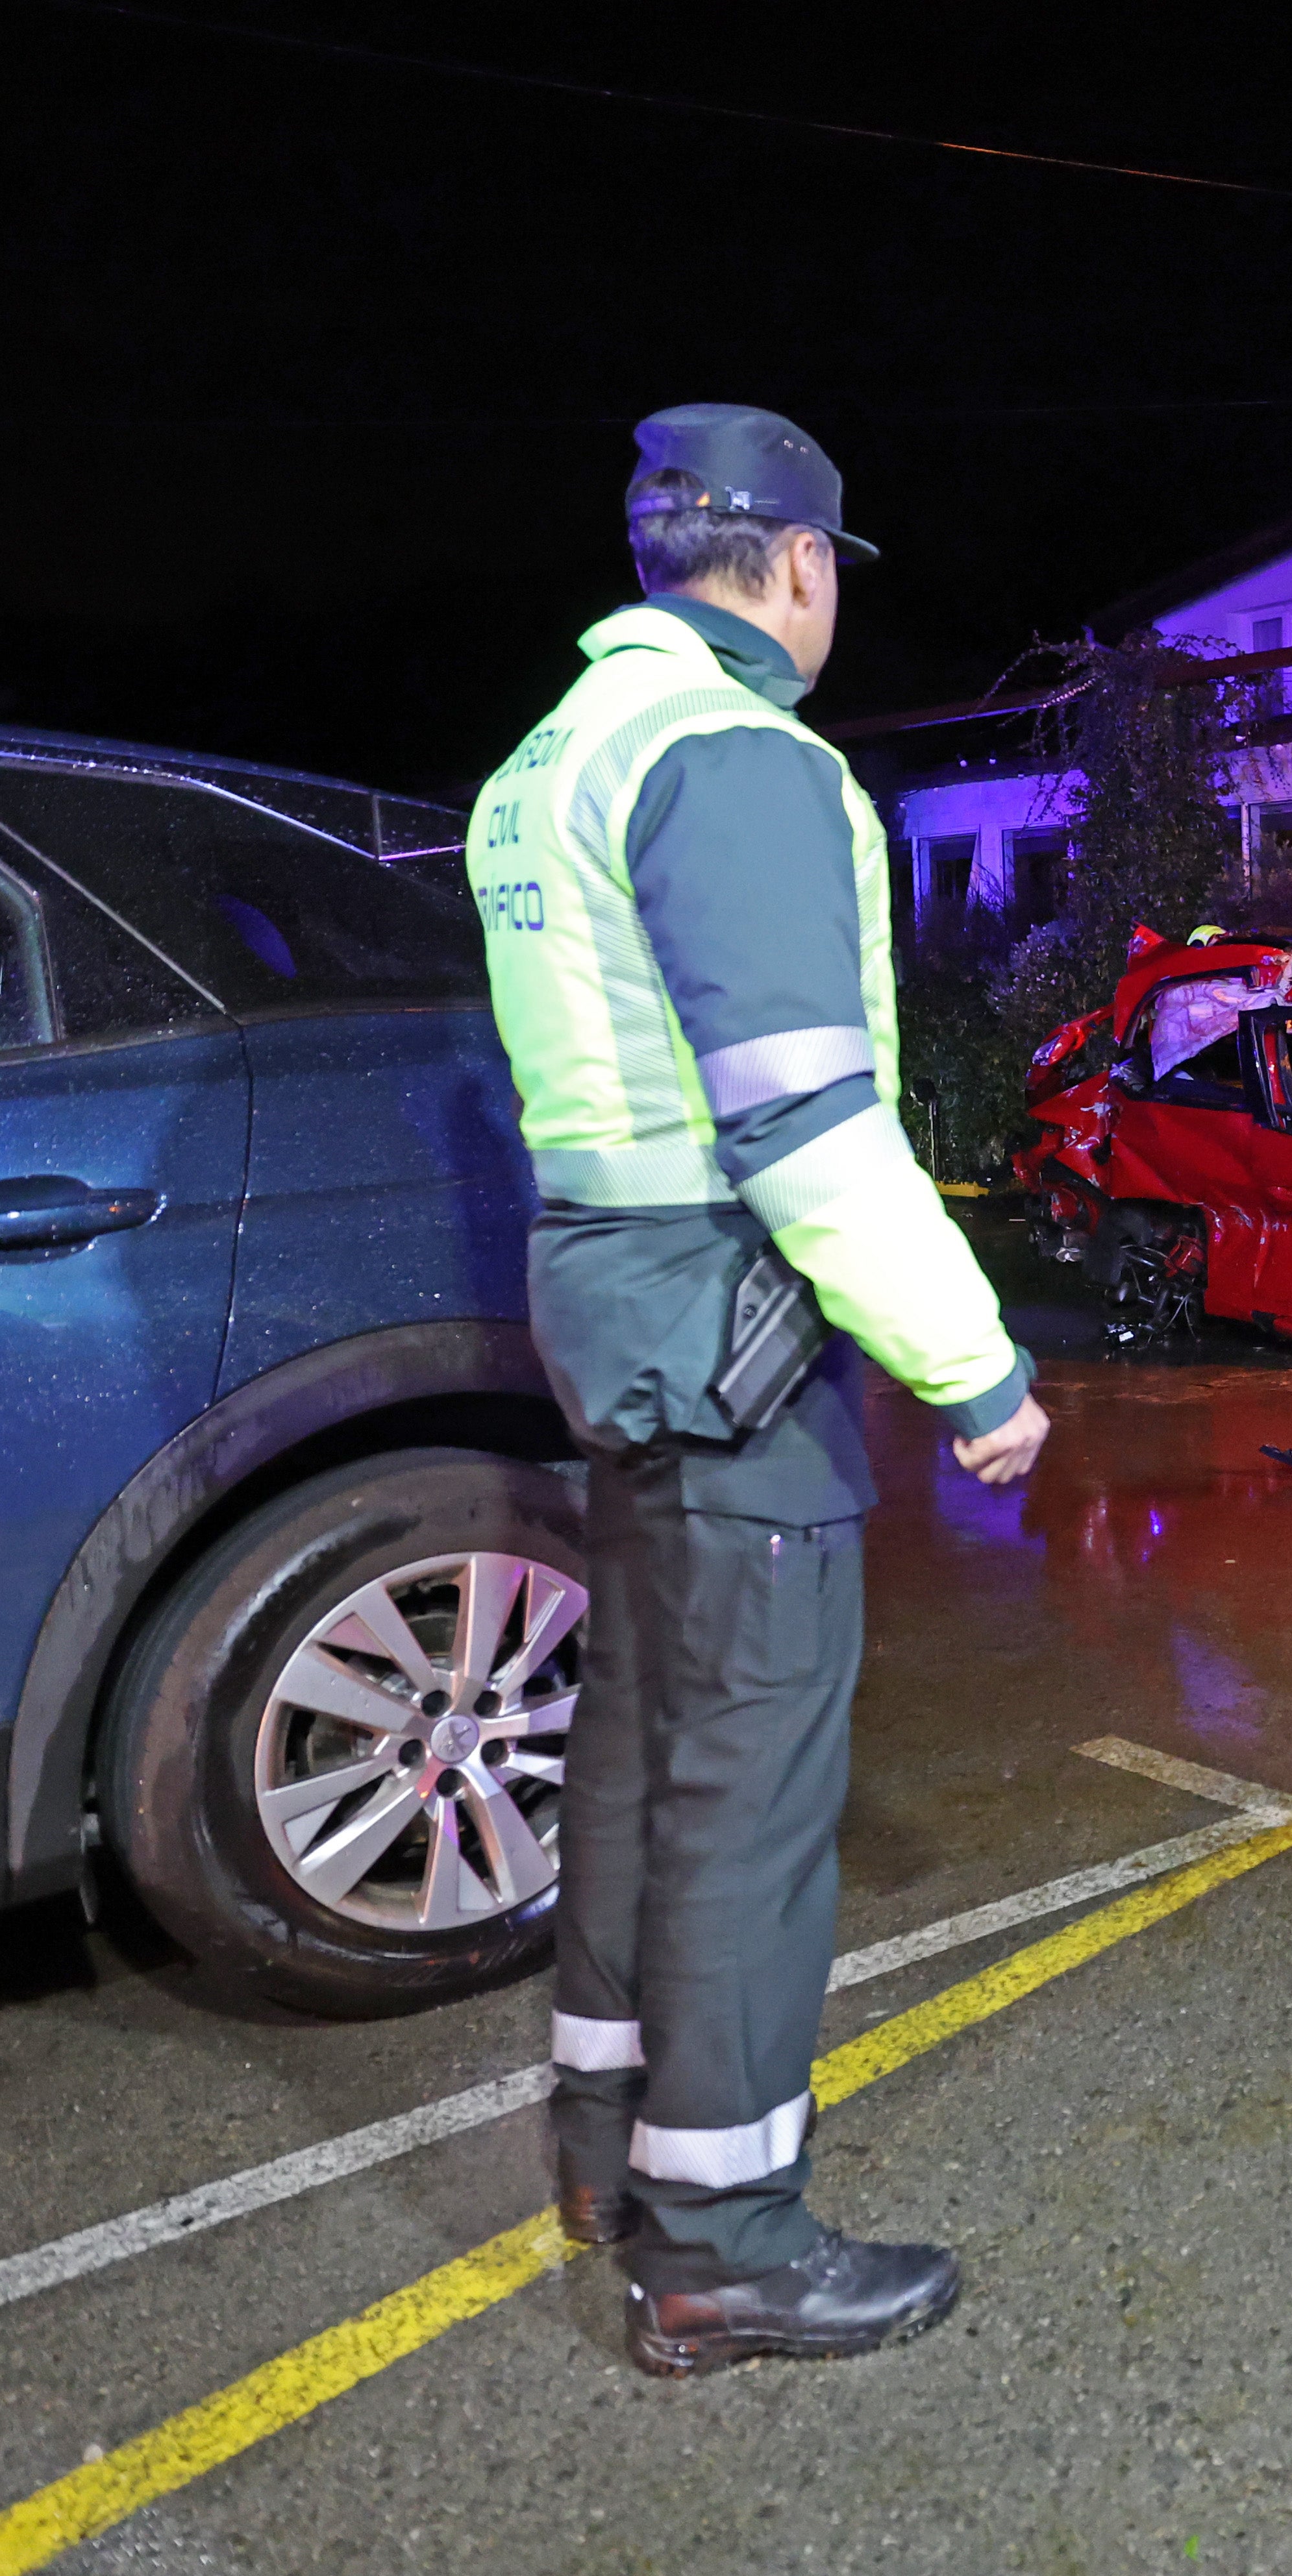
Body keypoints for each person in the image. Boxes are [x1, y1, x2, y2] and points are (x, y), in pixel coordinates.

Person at [467, 404, 1050, 2379]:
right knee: (748, 1793)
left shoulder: (549, 758)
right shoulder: (736, 761)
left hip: (608, 1313)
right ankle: (720, 2238)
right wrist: (972, 1366)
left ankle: (599, 2146)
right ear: (798, 565)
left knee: (637, 1744)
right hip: (734, 1332)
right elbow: (802, 1123)